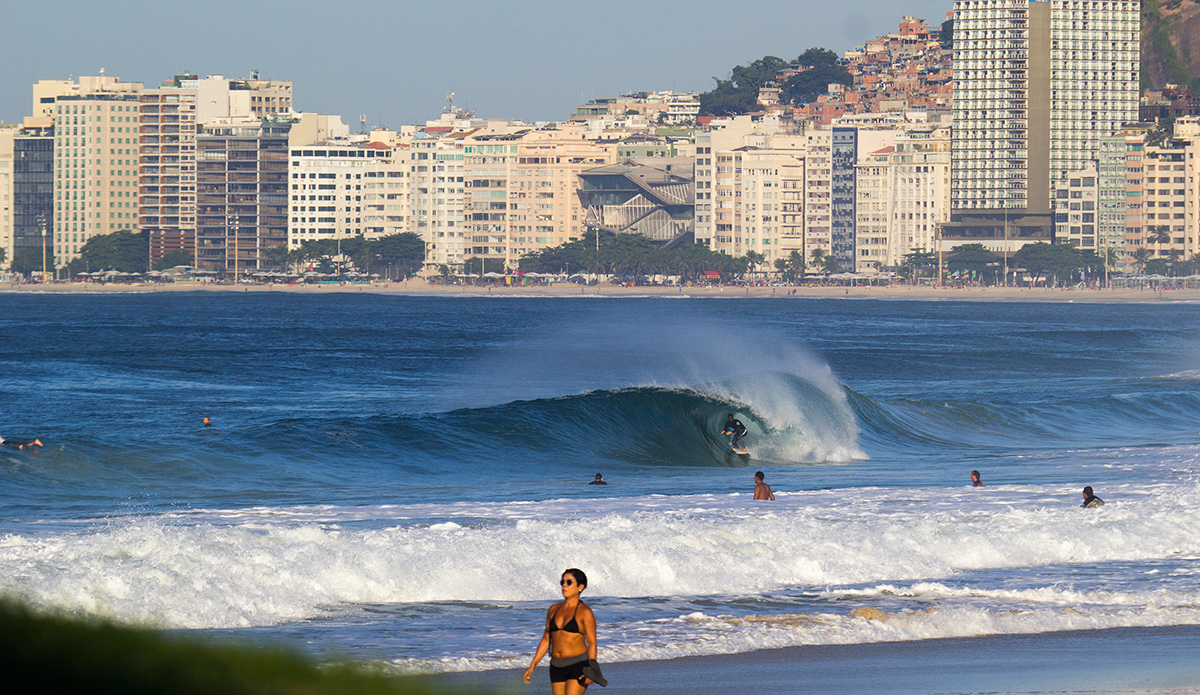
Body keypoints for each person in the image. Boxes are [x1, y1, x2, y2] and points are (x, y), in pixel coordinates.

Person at [524, 568, 604, 693]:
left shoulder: (585, 612)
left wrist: (591, 669)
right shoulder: (553, 609)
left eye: (569, 582)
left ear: (580, 587)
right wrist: (532, 665)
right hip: (556, 666)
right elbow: (546, 640)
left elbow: (592, 643)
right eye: (562, 582)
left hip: (578, 665)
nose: (564, 586)